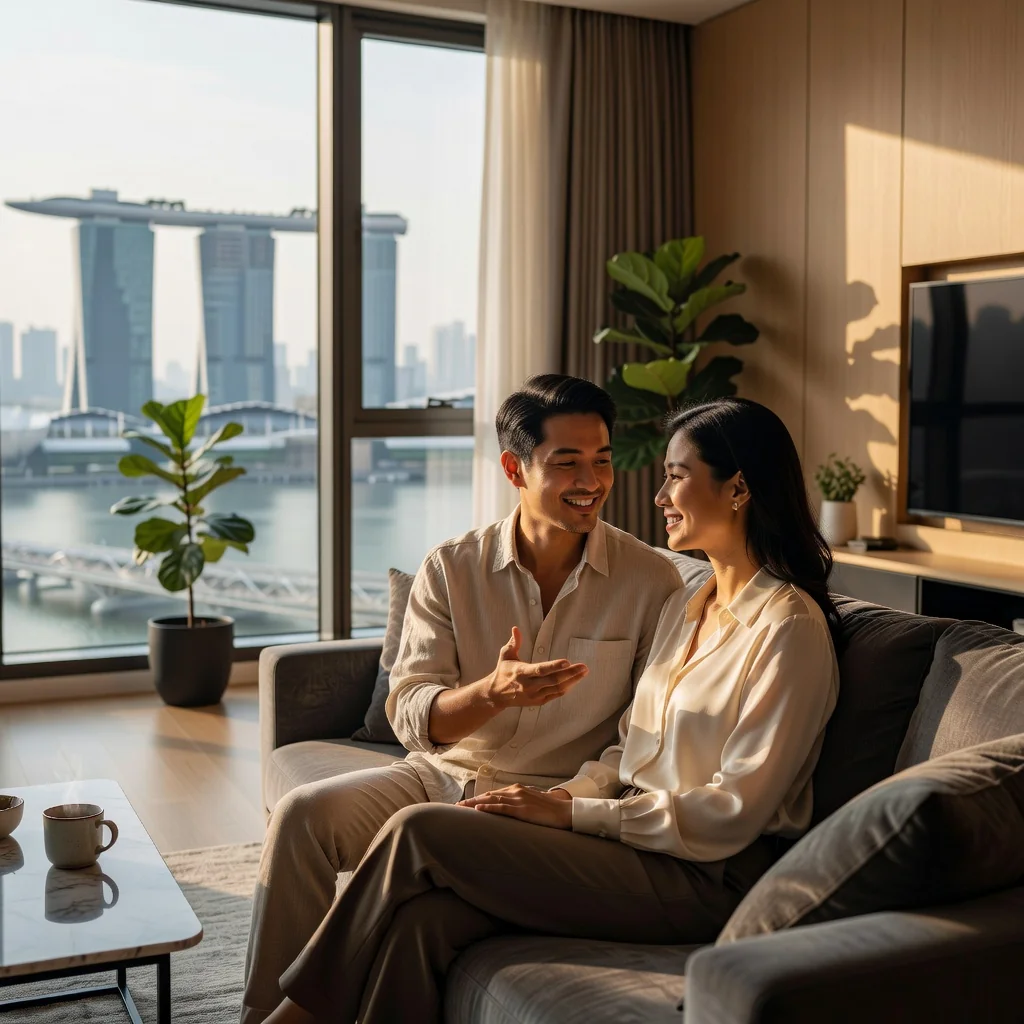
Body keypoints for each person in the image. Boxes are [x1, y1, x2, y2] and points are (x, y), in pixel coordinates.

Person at [259, 396, 842, 1024]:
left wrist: (575, 814)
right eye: (569, 462)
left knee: (418, 830)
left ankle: (287, 1020)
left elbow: (732, 813)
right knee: (422, 919)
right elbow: (632, 747)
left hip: (705, 874)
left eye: (675, 475)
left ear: (739, 489)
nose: (656, 493)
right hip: (612, 832)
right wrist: (562, 790)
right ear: (517, 470)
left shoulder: (787, 628)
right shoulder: (690, 606)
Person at [240, 374, 683, 1024]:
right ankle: (259, 1014)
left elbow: (640, 739)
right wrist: (491, 694)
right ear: (515, 467)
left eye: (603, 459)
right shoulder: (451, 568)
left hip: (549, 801)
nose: (591, 479)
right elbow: (413, 712)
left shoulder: (652, 581)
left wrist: (564, 801)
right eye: (567, 462)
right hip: (438, 775)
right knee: (303, 816)